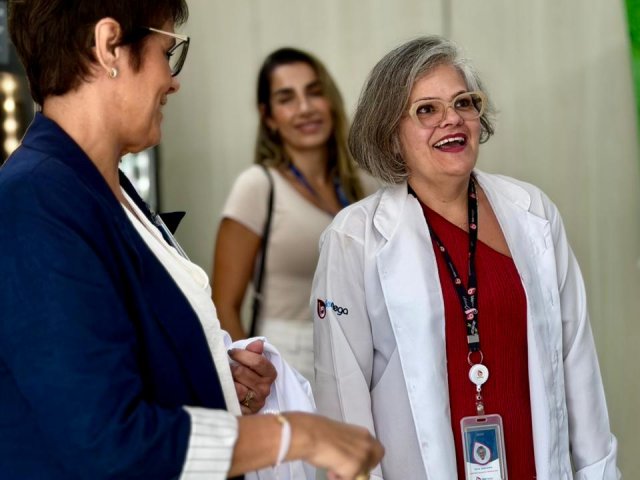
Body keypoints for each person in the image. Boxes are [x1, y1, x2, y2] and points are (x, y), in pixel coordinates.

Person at [0, 2, 383, 479]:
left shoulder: (106, 189)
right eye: (167, 52)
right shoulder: (35, 198)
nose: (172, 80)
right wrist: (296, 434)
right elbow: (103, 438)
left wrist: (218, 377)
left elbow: (116, 360)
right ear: (108, 46)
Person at [311, 36, 620, 479]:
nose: (452, 119)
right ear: (390, 135)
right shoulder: (353, 238)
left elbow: (577, 362)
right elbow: (344, 397)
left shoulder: (533, 212)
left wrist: (598, 471)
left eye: (463, 103)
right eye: (426, 110)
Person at [212, 47, 375, 383]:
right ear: (269, 116)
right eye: (286, 98)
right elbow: (223, 306)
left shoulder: (365, 186)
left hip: (359, 356)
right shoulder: (257, 186)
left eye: (314, 92)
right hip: (286, 360)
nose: (305, 108)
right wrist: (254, 381)